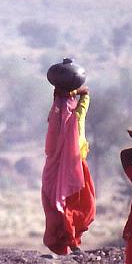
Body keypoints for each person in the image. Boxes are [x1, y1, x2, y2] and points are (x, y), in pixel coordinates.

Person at [41, 86, 95, 255]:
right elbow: (86, 97)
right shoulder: (78, 115)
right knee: (76, 205)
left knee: (58, 205)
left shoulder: (54, 117)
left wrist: (61, 94)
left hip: (56, 169)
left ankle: (64, 239)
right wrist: (78, 91)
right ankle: (72, 241)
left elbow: (56, 105)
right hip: (76, 169)